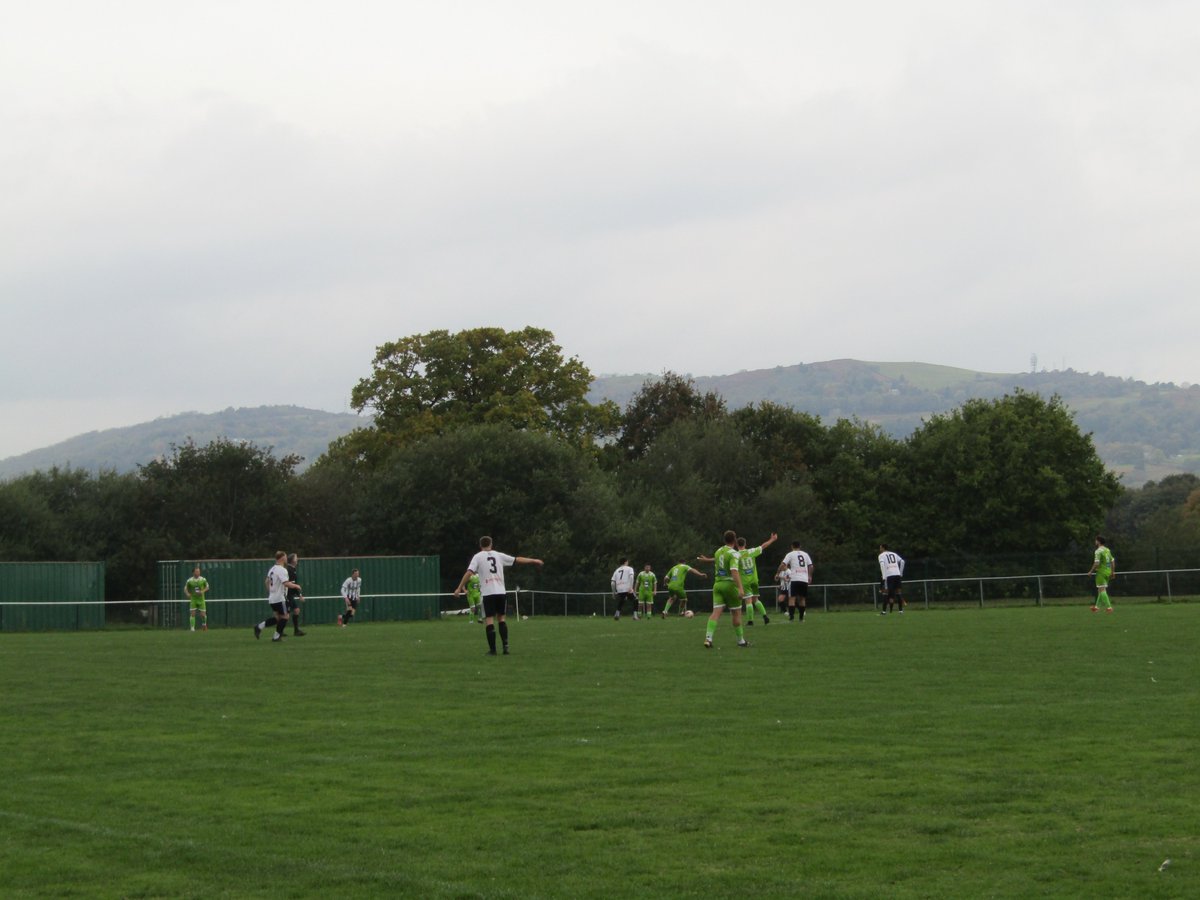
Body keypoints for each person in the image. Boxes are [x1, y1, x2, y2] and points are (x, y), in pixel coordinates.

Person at [454, 536, 543, 655]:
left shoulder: (478, 556)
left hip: (488, 593)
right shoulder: (498, 555)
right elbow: (517, 559)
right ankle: (505, 647)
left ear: (480, 546)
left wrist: (459, 587)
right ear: (491, 544)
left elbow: (469, 572)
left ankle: (493, 650)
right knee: (501, 619)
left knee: (489, 620)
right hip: (501, 592)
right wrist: (533, 560)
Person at [702, 530, 750, 649]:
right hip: (729, 585)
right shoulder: (734, 553)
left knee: (715, 613)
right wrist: (740, 588)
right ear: (734, 540)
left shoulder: (718, 551)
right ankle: (740, 641)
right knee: (736, 614)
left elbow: (717, 560)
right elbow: (734, 570)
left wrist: (707, 560)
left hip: (718, 585)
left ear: (724, 540)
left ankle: (708, 638)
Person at [255, 551, 300, 642]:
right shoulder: (282, 570)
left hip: (272, 598)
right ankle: (276, 637)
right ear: (282, 558)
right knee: (285, 617)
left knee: (277, 618)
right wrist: (296, 586)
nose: (287, 559)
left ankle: (259, 627)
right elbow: (286, 583)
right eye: (286, 557)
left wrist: (271, 592)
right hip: (280, 598)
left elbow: (267, 582)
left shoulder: (272, 569)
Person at [736, 533, 778, 625]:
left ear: (737, 545)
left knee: (748, 601)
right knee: (756, 599)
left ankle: (750, 621)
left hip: (745, 581)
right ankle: (765, 616)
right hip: (754, 580)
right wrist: (772, 539)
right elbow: (763, 546)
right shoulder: (751, 551)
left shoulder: (736, 555)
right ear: (745, 544)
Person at [777, 541, 814, 621]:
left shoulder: (790, 554)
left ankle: (791, 618)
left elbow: (783, 564)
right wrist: (810, 576)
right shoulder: (805, 554)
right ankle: (801, 618)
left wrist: (777, 573)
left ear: (792, 546)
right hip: (804, 579)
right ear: (800, 546)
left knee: (792, 598)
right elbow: (811, 566)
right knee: (802, 599)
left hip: (794, 579)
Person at [1087, 535, 1115, 612]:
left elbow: (1096, 563)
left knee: (1102, 590)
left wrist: (1090, 571)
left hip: (1101, 572)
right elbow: (1112, 561)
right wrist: (1112, 572)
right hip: (1108, 572)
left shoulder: (1098, 551)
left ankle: (1109, 607)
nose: (1095, 542)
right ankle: (1096, 607)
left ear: (1098, 541)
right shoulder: (1107, 550)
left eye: (1096, 540)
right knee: (1100, 590)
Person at [877, 544, 905, 615]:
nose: (879, 549)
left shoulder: (881, 555)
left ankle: (884, 612)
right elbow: (902, 561)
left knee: (886, 593)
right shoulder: (894, 554)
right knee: (898, 592)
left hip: (889, 575)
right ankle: (901, 611)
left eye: (880, 548)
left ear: (883, 548)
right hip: (897, 574)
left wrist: (884, 576)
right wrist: (900, 573)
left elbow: (882, 565)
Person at [184, 565, 209, 632]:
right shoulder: (189, 581)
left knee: (203, 615)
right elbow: (185, 588)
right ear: (193, 572)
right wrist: (187, 594)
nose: (198, 573)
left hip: (201, 599)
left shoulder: (203, 579)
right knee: (193, 614)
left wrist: (202, 591)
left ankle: (204, 624)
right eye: (197, 571)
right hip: (193, 599)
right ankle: (192, 628)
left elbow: (207, 587)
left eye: (199, 571)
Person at [286, 553, 306, 636]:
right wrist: (299, 595)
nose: (297, 559)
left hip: (289, 595)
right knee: (286, 615)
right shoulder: (290, 570)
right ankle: (295, 631)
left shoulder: (292, 569)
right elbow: (290, 584)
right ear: (293, 560)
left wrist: (299, 595)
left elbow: (294, 584)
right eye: (296, 558)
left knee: (293, 611)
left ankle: (295, 630)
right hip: (287, 595)